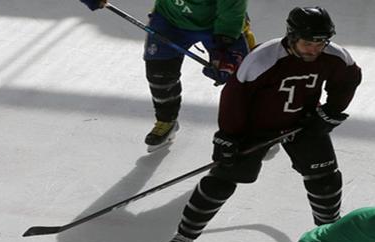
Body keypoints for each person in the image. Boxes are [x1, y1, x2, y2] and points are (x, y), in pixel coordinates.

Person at [161, 6, 361, 242]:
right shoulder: (263, 58)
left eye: (320, 43)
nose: (314, 49)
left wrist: (330, 111)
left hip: (303, 123)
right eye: (308, 43)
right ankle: (184, 235)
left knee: (325, 180)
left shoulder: (335, 57)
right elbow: (234, 97)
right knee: (221, 181)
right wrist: (228, 136)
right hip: (255, 127)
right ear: (291, 36)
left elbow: (348, 79)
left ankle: (329, 234)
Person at [80, 0, 255, 150]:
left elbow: (232, 8)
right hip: (170, 20)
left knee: (242, 75)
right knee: (159, 74)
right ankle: (166, 121)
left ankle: (257, 123)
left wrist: (225, 43)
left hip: (220, 22)